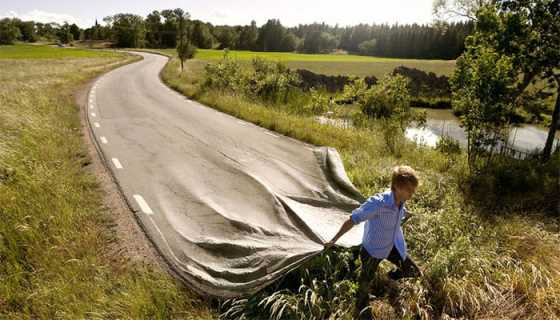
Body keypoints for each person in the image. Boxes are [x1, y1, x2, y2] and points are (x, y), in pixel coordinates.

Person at [324, 165, 423, 320]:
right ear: (397, 187)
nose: (412, 194)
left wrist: (406, 213)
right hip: (372, 252)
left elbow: (399, 212)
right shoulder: (378, 203)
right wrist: (334, 239)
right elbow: (353, 219)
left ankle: (389, 278)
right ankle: (360, 312)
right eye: (409, 190)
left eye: (413, 190)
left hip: (392, 247)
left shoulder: (401, 201)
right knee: (362, 293)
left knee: (414, 272)